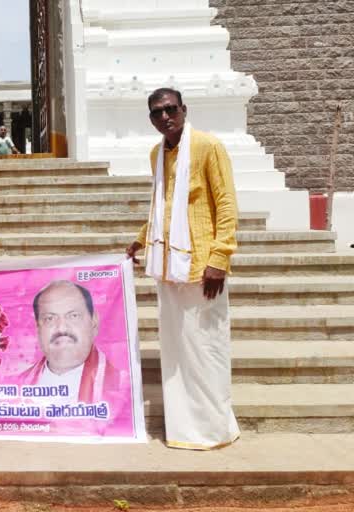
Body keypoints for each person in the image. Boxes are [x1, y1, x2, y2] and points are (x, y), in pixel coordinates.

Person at [126, 88, 240, 450]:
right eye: (157, 112)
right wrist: (140, 241)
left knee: (205, 346)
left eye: (170, 109)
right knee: (177, 350)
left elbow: (225, 203)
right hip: (167, 267)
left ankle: (214, 428)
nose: (165, 117)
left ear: (184, 110)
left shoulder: (208, 147)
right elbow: (162, 205)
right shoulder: (156, 154)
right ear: (150, 119)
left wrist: (219, 259)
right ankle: (184, 428)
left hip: (201, 268)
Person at [18, 280, 124, 404]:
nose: (62, 328)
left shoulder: (123, 386)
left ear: (93, 321)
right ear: (38, 328)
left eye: (73, 316)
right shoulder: (16, 385)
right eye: (49, 318)